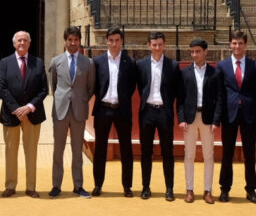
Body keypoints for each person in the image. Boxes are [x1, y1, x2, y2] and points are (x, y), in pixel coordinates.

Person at [0, 30, 48, 197]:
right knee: (11, 152)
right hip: (11, 115)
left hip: (33, 114)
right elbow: (1, 87)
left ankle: (31, 187)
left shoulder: (38, 63)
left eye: (25, 40)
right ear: (14, 43)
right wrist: (17, 109)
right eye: (19, 40)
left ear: (29, 43)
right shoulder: (4, 63)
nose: (22, 43)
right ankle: (10, 185)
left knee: (31, 152)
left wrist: (29, 107)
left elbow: (43, 89)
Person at [216, 30, 256, 203]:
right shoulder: (222, 66)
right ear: (230, 44)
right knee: (227, 153)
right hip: (229, 115)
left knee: (250, 153)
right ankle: (224, 188)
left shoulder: (254, 66)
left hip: (249, 115)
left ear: (246, 45)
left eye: (240, 43)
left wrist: (248, 104)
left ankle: (251, 189)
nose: (237, 46)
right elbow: (220, 92)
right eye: (234, 43)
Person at [48, 26, 95, 198]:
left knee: (77, 150)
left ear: (80, 41)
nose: (73, 43)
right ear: (65, 41)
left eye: (76, 40)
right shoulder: (56, 61)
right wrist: (63, 99)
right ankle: (56, 185)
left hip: (79, 110)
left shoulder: (88, 63)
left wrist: (80, 100)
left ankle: (78, 185)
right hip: (60, 111)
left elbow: (90, 87)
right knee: (58, 149)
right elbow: (54, 86)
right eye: (70, 40)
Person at [178, 38, 225, 204]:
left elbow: (220, 98)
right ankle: (189, 189)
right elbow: (181, 98)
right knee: (189, 154)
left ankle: (208, 190)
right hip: (190, 118)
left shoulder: (215, 73)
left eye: (198, 51)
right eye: (192, 51)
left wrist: (216, 120)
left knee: (209, 155)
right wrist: (182, 118)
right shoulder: (184, 72)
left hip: (207, 118)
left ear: (205, 52)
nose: (194, 54)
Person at [92, 26, 137, 197]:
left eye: (117, 40)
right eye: (111, 40)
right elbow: (95, 85)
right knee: (100, 149)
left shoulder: (130, 62)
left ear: (122, 41)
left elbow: (132, 86)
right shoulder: (98, 61)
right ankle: (98, 184)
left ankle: (127, 186)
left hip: (122, 109)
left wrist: (122, 99)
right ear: (106, 41)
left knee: (126, 148)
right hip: (103, 108)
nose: (114, 43)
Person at [135, 31, 181, 200]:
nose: (157, 48)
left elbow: (176, 91)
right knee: (146, 151)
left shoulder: (173, 65)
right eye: (154, 45)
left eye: (160, 44)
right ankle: (145, 187)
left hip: (164, 112)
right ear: (148, 45)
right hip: (147, 111)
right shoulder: (141, 65)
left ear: (165, 45)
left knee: (167, 151)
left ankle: (169, 188)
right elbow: (141, 87)